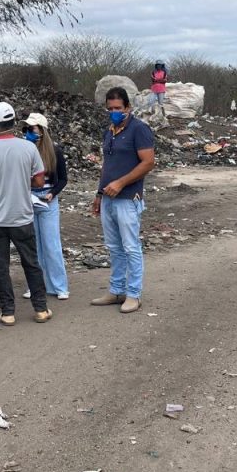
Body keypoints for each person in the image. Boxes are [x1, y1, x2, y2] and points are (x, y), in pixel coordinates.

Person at [0, 101, 52, 326]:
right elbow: (39, 181)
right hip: (22, 216)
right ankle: (41, 309)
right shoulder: (28, 148)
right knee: (31, 263)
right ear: (13, 122)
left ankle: (7, 312)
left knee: (1, 266)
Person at [91, 87, 155, 313]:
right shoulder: (109, 131)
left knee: (130, 247)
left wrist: (121, 183)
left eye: (118, 108)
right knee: (114, 247)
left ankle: (134, 294)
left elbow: (147, 162)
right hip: (108, 198)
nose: (114, 112)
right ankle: (116, 290)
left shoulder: (140, 130)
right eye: (110, 109)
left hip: (128, 198)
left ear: (128, 107)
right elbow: (107, 166)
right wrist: (99, 194)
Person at [20, 112, 69, 300]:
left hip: (48, 202)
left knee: (51, 245)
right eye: (26, 129)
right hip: (29, 201)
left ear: (41, 131)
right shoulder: (23, 150)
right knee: (32, 246)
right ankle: (35, 286)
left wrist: (52, 193)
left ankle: (59, 286)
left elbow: (63, 179)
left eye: (31, 129)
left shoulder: (54, 151)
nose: (28, 132)